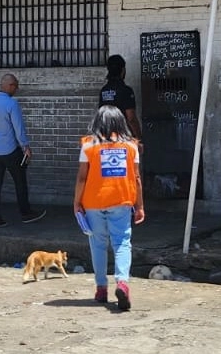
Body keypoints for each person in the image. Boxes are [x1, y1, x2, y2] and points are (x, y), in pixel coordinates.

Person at [73, 104, 145, 311]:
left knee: (98, 244)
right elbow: (137, 178)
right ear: (121, 123)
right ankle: (122, 282)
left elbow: (81, 177)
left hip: (93, 202)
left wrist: (77, 201)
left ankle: (101, 288)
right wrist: (139, 205)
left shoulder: (88, 145)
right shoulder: (131, 146)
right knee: (122, 242)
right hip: (122, 201)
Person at [0, 73, 46, 227]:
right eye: (16, 86)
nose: (16, 89)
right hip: (10, 150)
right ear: (10, 85)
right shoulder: (11, 104)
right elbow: (19, 129)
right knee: (20, 181)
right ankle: (26, 213)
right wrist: (26, 146)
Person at [99, 54, 143, 145]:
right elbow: (131, 118)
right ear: (122, 70)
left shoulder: (104, 90)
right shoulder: (126, 91)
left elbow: (100, 116)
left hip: (106, 137)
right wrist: (139, 139)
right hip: (124, 139)